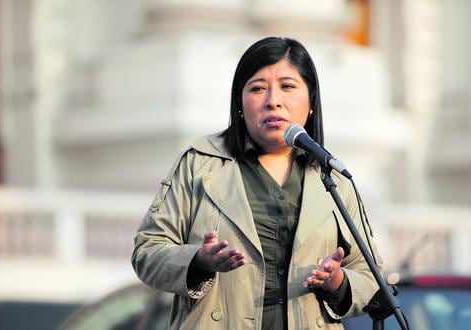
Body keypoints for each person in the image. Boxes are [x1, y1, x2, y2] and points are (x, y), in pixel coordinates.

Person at [131, 36, 382, 329]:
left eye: (288, 86)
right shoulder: (200, 164)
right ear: (239, 102)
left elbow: (371, 275)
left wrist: (337, 281)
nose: (273, 100)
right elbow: (147, 251)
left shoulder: (332, 178)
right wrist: (198, 261)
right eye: (258, 88)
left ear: (311, 101)